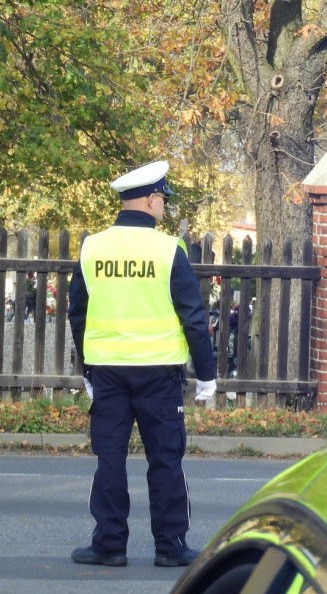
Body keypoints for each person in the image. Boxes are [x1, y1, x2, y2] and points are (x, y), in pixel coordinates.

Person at [67, 160, 217, 568]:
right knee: (166, 459)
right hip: (159, 373)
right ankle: (170, 547)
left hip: (108, 369)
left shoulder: (92, 247)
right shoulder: (168, 249)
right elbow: (193, 316)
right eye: (162, 199)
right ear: (151, 200)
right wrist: (207, 374)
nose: (163, 206)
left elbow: (77, 312)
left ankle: (109, 545)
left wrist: (86, 369)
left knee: (109, 458)